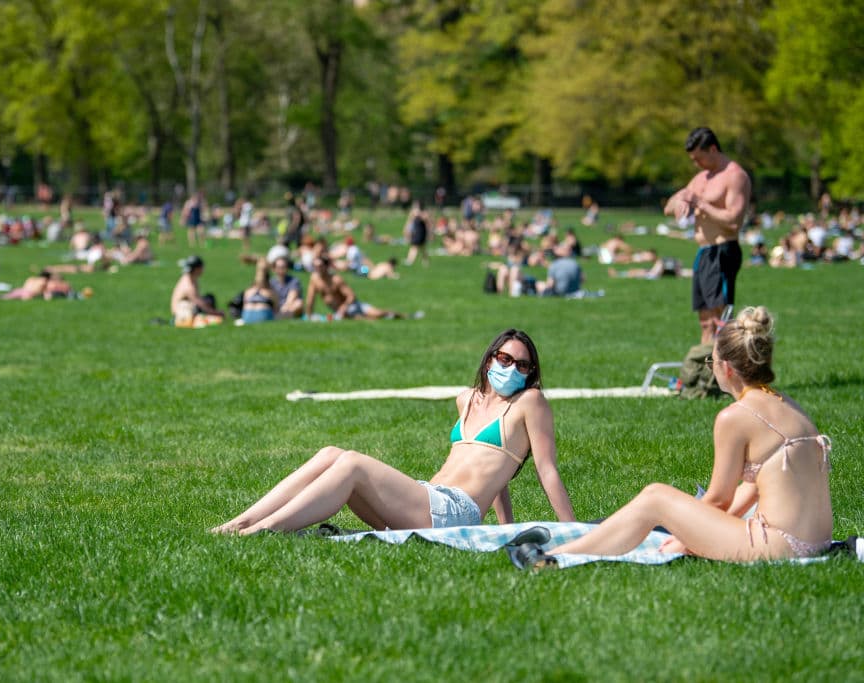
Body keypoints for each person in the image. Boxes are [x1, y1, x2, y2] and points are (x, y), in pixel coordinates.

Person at [514, 307, 832, 567]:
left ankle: (558, 557)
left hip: (776, 546)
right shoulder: (790, 406)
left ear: (728, 368)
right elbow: (751, 489)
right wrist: (697, 531)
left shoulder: (736, 417)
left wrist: (686, 534)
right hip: (814, 541)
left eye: (712, 362)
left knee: (656, 497)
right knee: (667, 502)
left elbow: (718, 499)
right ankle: (573, 549)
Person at [211, 329, 576, 535]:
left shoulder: (531, 402)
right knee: (330, 454)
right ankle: (242, 520)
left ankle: (263, 530)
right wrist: (503, 528)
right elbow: (496, 473)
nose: (513, 369)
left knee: (352, 463)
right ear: (490, 357)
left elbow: (547, 469)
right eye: (506, 359)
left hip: (452, 513)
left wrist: (572, 531)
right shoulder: (467, 399)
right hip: (425, 498)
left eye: (523, 365)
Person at [664, 127, 752, 344]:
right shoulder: (701, 178)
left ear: (713, 149)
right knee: (705, 321)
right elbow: (668, 207)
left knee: (720, 320)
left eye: (699, 158)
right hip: (703, 252)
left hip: (723, 251)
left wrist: (701, 203)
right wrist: (682, 201)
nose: (696, 164)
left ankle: (725, 374)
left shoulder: (735, 176)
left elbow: (733, 221)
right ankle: (707, 371)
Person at [304, 255, 405, 320]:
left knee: (377, 313)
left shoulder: (336, 279)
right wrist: (309, 315)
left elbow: (351, 296)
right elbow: (310, 299)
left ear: (326, 267)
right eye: (315, 266)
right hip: (340, 312)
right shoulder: (314, 280)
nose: (317, 269)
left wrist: (343, 307)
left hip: (352, 306)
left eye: (320, 266)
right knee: (361, 319)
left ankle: (403, 316)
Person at [170, 255, 225, 324]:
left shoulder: (190, 277)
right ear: (197, 269)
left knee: (209, 298)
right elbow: (201, 304)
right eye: (202, 267)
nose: (203, 270)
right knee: (205, 305)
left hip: (183, 311)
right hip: (180, 315)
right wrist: (217, 313)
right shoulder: (189, 286)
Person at [240, 258, 278, 325]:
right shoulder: (270, 292)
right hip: (263, 314)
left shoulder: (248, 291)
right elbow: (276, 309)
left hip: (247, 315)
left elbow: (244, 305)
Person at [268, 253, 304, 319]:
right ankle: (283, 316)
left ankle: (280, 316)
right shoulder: (271, 282)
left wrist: (284, 308)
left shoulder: (294, 281)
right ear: (274, 269)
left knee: (298, 303)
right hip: (276, 307)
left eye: (283, 267)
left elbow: (291, 298)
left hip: (289, 306)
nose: (281, 270)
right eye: (279, 267)